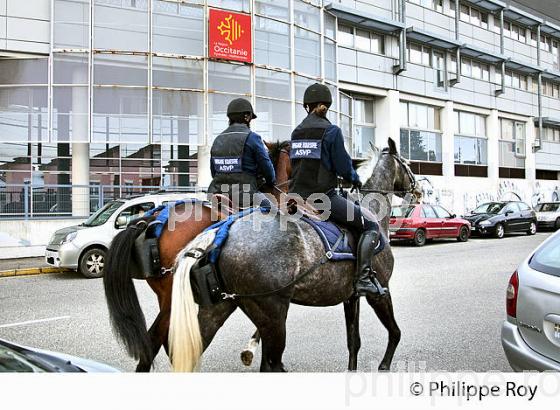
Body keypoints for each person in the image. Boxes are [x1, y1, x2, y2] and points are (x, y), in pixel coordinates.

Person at [289, 83, 384, 296]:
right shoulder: (331, 131)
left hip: (295, 197)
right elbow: (342, 166)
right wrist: (355, 178)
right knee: (370, 225)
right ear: (327, 106)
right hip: (323, 199)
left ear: (307, 106)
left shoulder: (297, 132)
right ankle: (363, 280)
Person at [208, 98, 276, 209]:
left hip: (218, 194)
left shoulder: (217, 139)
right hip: (246, 196)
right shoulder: (253, 138)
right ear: (247, 117)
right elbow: (267, 167)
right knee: (276, 214)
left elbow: (213, 172)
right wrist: (271, 181)